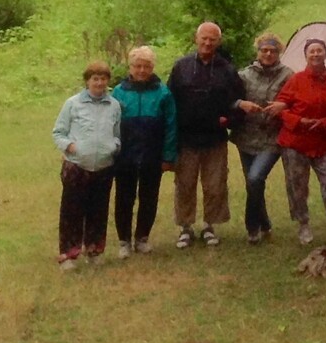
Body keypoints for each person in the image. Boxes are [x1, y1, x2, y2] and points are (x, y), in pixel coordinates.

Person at [168, 22, 243, 249]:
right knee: (185, 184)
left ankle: (210, 226)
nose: (208, 43)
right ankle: (185, 227)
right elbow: (169, 101)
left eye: (212, 39)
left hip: (214, 139)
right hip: (186, 139)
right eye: (204, 38)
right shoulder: (181, 67)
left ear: (218, 42)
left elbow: (239, 101)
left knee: (215, 185)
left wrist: (228, 120)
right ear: (196, 39)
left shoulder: (227, 70)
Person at [271, 39, 326, 244]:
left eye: (319, 51)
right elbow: (280, 108)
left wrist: (325, 123)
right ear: (306, 56)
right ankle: (303, 224)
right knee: (298, 185)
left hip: (322, 143)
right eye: (311, 51)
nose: (315, 54)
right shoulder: (295, 80)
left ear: (325, 54)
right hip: (296, 143)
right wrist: (300, 121)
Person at [52, 61, 122, 270]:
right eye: (95, 79)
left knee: (98, 211)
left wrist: (114, 146)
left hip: (103, 167)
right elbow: (58, 132)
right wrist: (70, 146)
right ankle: (69, 254)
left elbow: (117, 134)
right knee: (72, 212)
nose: (99, 83)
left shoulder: (114, 105)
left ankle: (94, 250)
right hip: (76, 166)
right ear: (87, 81)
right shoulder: (73, 104)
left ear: (108, 82)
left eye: (103, 79)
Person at [112, 46, 178, 259]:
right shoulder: (118, 92)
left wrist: (168, 156)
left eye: (146, 66)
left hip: (152, 154)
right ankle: (124, 241)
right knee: (124, 197)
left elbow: (171, 125)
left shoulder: (163, 93)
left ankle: (142, 238)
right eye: (137, 66)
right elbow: (109, 124)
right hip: (125, 155)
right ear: (130, 67)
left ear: (152, 68)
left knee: (149, 197)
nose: (141, 70)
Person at [233, 32, 293, 244]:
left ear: (279, 53)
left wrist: (282, 107)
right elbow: (230, 97)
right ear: (258, 52)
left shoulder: (288, 75)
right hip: (245, 137)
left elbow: (296, 101)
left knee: (256, 178)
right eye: (264, 50)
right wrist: (241, 103)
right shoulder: (244, 75)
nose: (268, 54)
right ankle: (265, 223)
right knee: (253, 184)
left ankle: (252, 227)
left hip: (272, 138)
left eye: (273, 51)